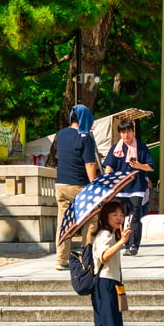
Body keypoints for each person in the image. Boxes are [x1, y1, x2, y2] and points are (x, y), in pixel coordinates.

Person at [88, 200, 139, 326]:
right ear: (106, 217)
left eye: (121, 215)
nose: (119, 218)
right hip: (106, 284)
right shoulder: (105, 235)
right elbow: (104, 256)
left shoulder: (109, 235)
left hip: (106, 284)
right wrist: (122, 242)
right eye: (115, 215)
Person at [54, 104, 101, 271]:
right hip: (79, 186)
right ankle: (88, 259)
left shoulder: (61, 134)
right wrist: (96, 186)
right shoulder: (85, 137)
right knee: (91, 221)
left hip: (60, 185)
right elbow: (89, 164)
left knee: (64, 223)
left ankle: (61, 260)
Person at [102, 118, 155, 256]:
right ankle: (121, 243)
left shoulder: (141, 147)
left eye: (128, 131)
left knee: (135, 217)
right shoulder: (115, 149)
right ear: (120, 133)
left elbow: (150, 167)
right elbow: (109, 167)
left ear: (133, 131)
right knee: (119, 217)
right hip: (120, 189)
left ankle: (133, 245)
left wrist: (138, 166)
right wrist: (108, 183)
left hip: (137, 188)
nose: (126, 135)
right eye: (123, 132)